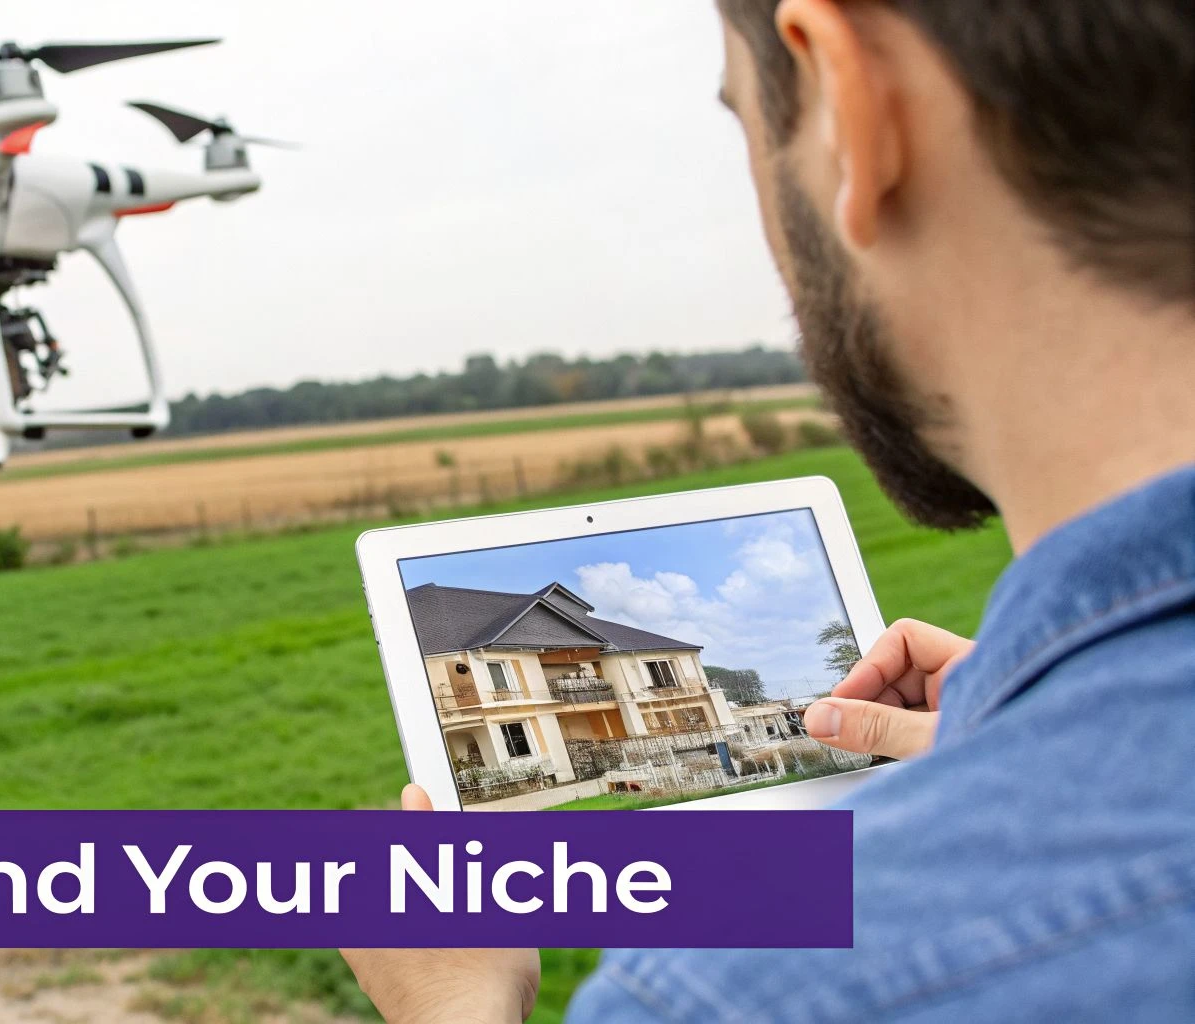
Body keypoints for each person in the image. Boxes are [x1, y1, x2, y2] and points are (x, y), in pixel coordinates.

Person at [344, 1, 1195, 1020]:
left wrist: (454, 1004)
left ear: (851, 107)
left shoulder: (732, 990)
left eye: (744, 125)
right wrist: (1050, 741)